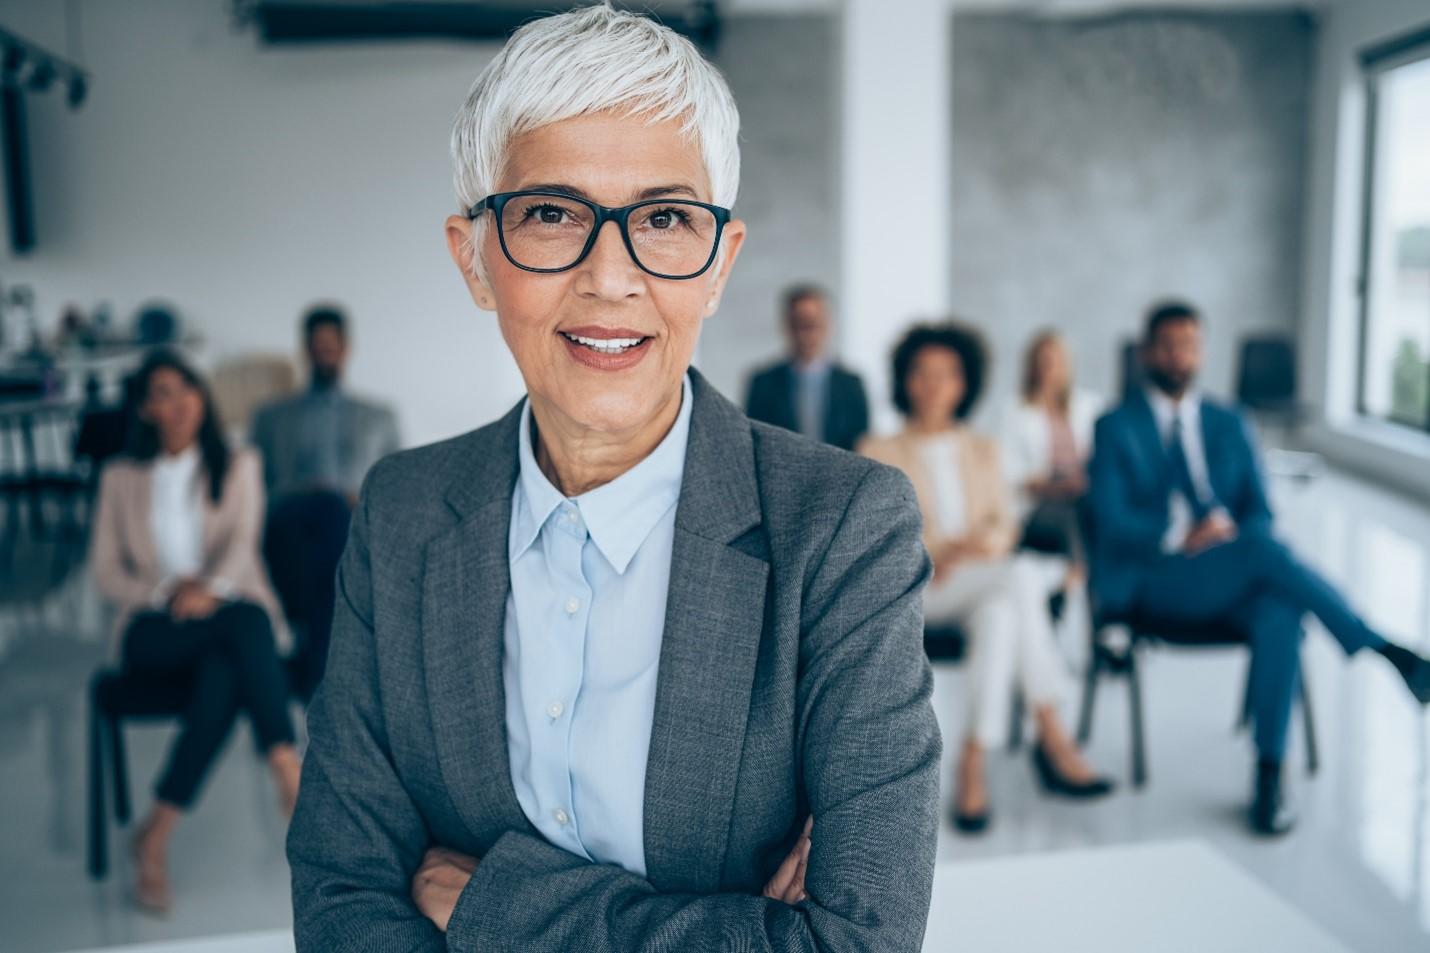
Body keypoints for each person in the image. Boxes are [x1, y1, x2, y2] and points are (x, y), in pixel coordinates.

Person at [286, 7, 940, 952]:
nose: (610, 277)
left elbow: (860, 942)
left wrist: (493, 907)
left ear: (718, 265)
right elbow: (344, 890)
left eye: (666, 219)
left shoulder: (843, 528)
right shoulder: (402, 513)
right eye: (551, 213)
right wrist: (735, 928)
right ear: (473, 258)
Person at [1089, 300, 1430, 836]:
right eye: (1170, 344)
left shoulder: (1230, 421)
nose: (1181, 356)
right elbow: (1110, 521)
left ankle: (1270, 775)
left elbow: (1262, 513)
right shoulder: (1114, 425)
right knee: (1265, 558)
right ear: (1149, 351)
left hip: (1231, 567)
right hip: (1157, 579)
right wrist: (1183, 535)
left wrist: (1226, 536)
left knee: (1281, 608)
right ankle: (1384, 649)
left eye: (1191, 344)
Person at [859, 323, 1111, 836]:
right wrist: (942, 551)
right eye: (922, 374)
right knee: (1018, 577)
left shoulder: (984, 449)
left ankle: (973, 759)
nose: (934, 385)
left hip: (979, 582)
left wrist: (973, 550)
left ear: (964, 383)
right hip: (915, 591)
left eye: (947, 375)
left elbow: (1005, 525)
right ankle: (1051, 730)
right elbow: (877, 540)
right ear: (904, 380)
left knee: (1001, 615)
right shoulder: (877, 449)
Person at [89, 349, 299, 913]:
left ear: (201, 398)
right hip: (153, 631)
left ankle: (154, 834)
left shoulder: (239, 463)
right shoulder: (120, 477)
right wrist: (167, 594)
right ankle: (284, 762)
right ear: (145, 408)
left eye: (186, 388)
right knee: (246, 625)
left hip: (225, 617)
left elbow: (241, 545)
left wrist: (209, 591)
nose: (177, 402)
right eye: (161, 393)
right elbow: (105, 571)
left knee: (225, 669)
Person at [250, 305, 399, 697]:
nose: (325, 353)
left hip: (348, 528)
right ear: (306, 350)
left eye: (332, 346)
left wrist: (356, 499)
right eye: (318, 347)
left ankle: (309, 668)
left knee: (335, 515)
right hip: (287, 523)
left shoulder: (378, 417)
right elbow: (251, 490)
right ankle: (324, 678)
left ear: (346, 349)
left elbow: (395, 489)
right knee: (325, 514)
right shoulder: (270, 417)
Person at [1002, 329, 1103, 568]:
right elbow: (1010, 473)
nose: (1050, 368)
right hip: (1042, 500)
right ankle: (1076, 578)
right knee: (1072, 519)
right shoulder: (1017, 411)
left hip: (1085, 492)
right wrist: (1056, 487)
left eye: (1056, 361)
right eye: (1044, 361)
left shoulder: (1090, 406)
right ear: (1032, 366)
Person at [744, 284, 870, 450]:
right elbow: (755, 441)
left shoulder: (851, 384)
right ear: (787, 326)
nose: (808, 333)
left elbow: (861, 443)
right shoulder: (763, 384)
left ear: (828, 325)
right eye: (800, 323)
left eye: (814, 323)